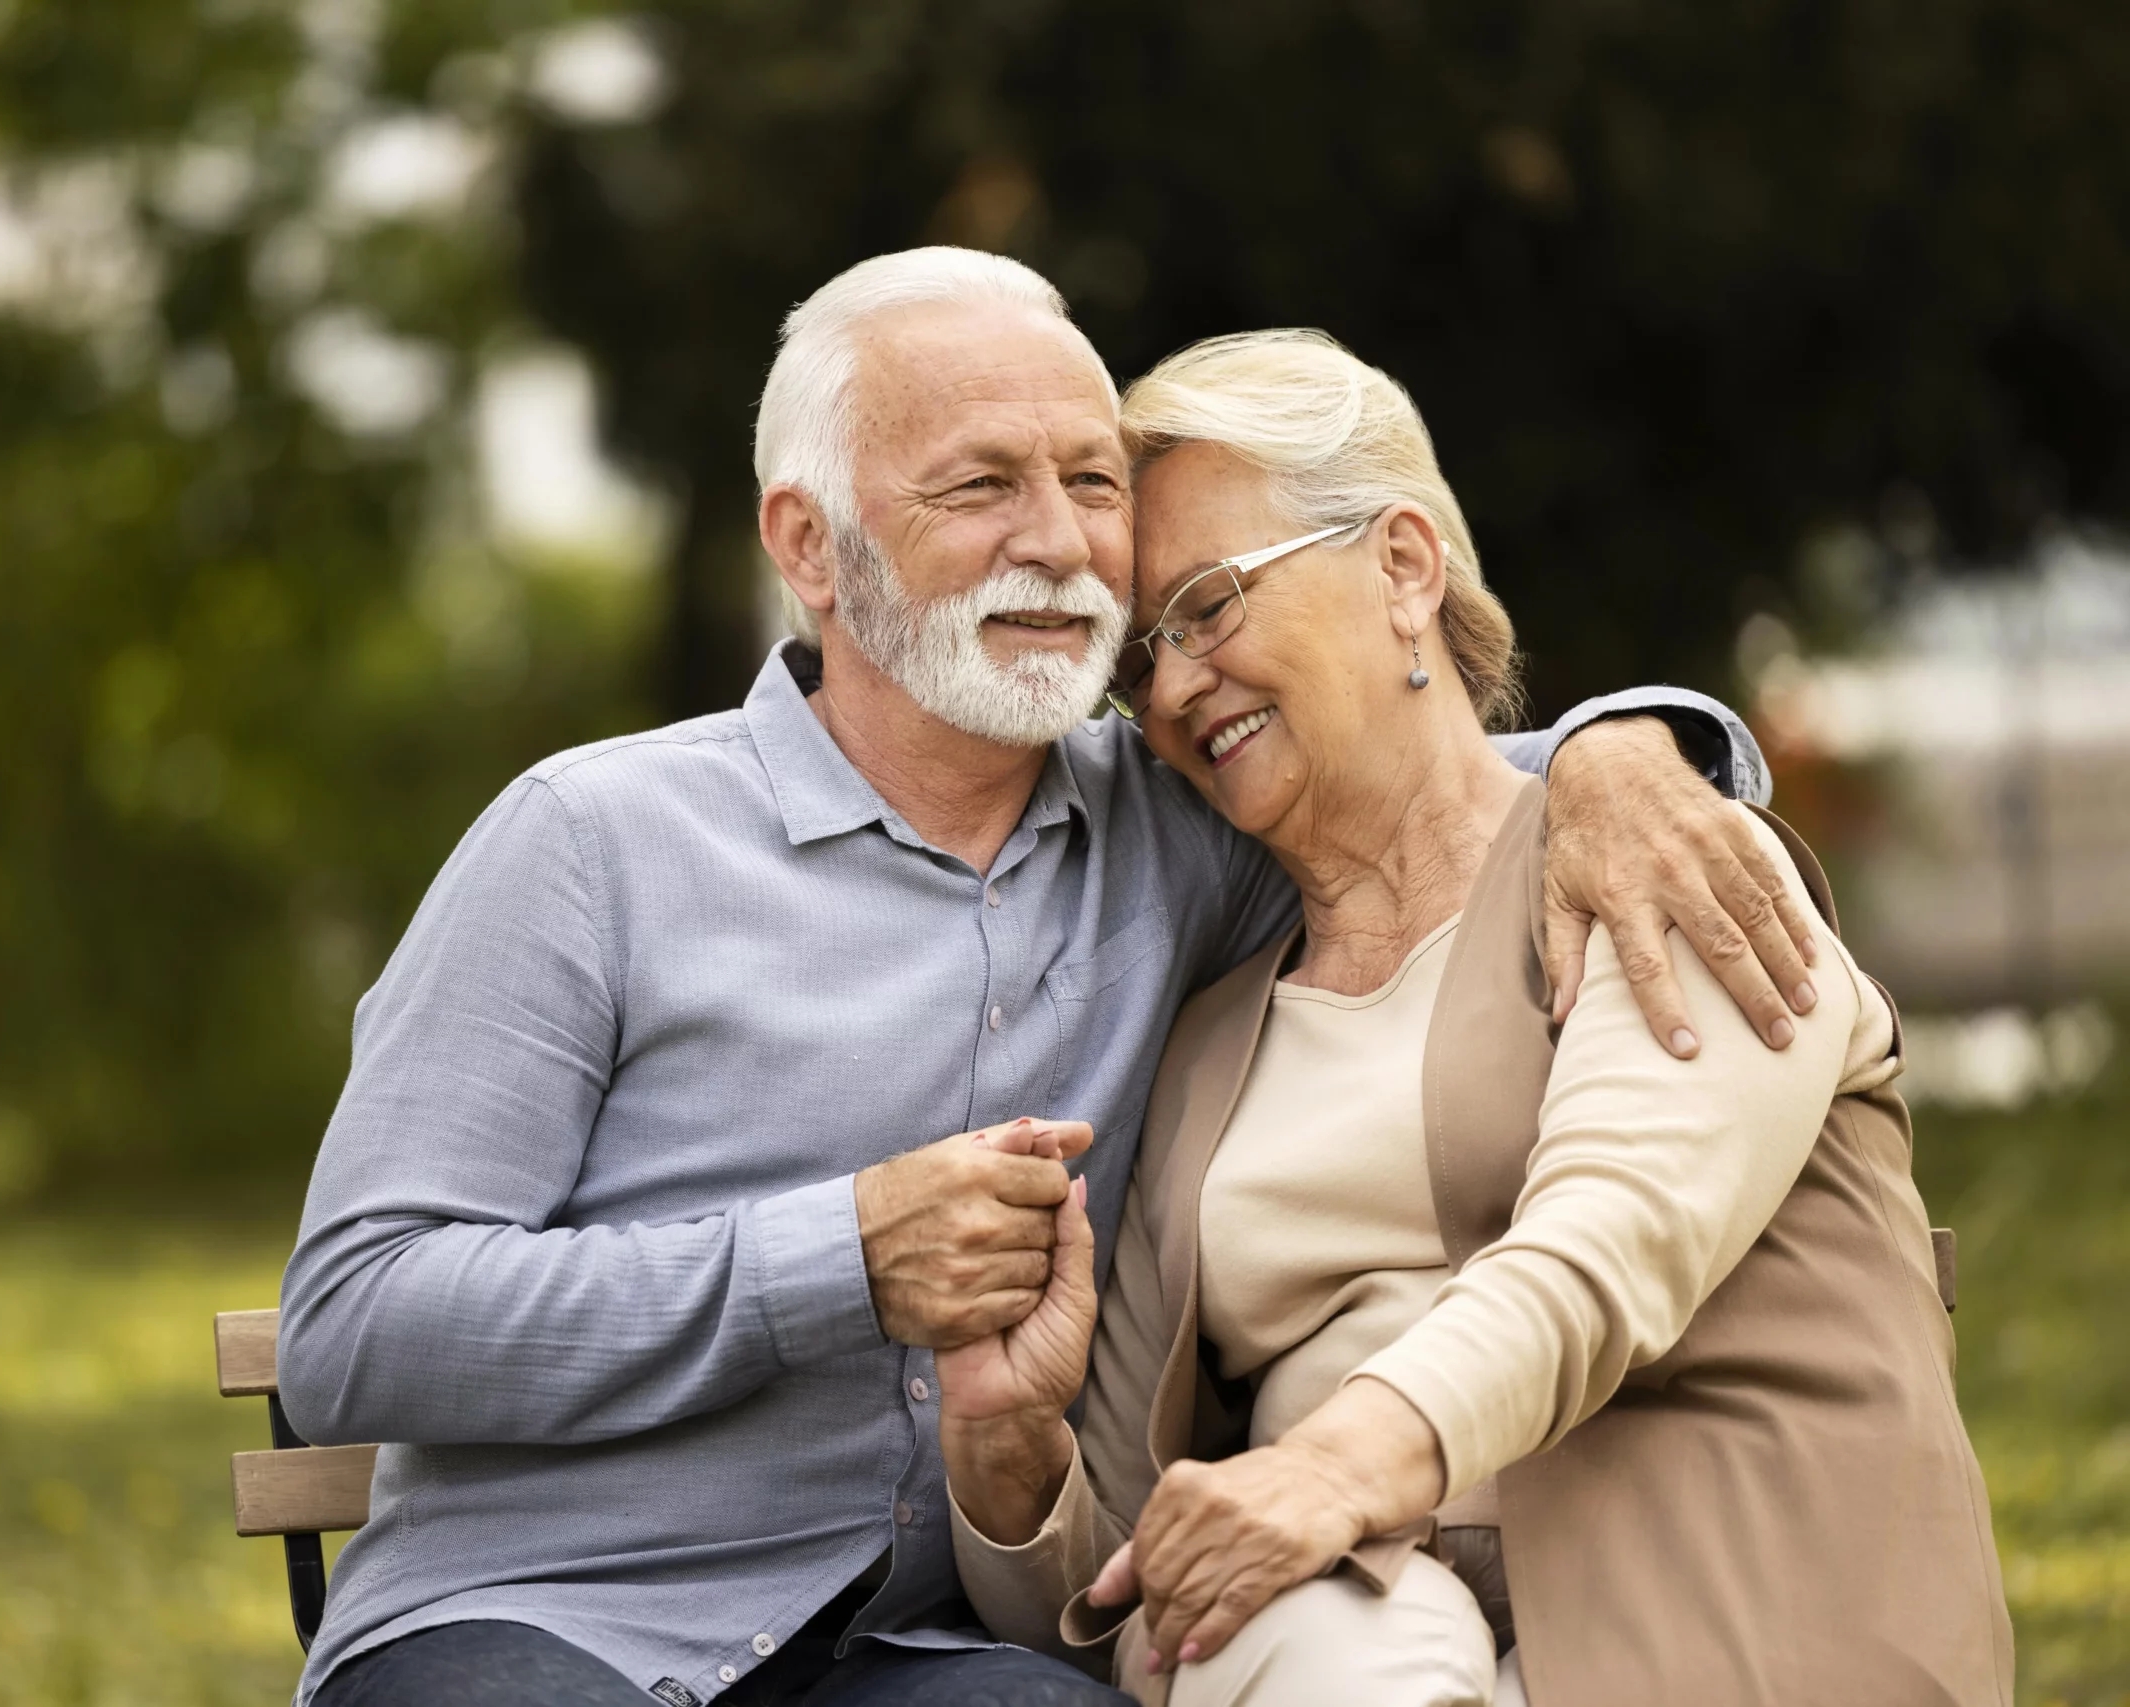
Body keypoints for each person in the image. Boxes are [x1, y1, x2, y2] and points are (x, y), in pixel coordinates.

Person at [276, 249, 1821, 1707]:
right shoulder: (587, 843)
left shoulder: (1184, 819)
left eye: (1091, 481)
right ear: (809, 543)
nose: (1061, 539)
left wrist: (1640, 746)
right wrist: (841, 1260)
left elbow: (1439, 779)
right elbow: (352, 1321)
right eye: (981, 486)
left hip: (926, 1653)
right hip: (551, 1623)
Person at [938, 328, 2013, 1707]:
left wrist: (1325, 1472)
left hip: (1723, 1627)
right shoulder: (1207, 1047)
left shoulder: (1664, 864)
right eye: (1139, 659)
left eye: (1208, 606)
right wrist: (1009, 1445)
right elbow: (1124, 1583)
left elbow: (1604, 1250)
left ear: (1402, 566)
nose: (1176, 686)